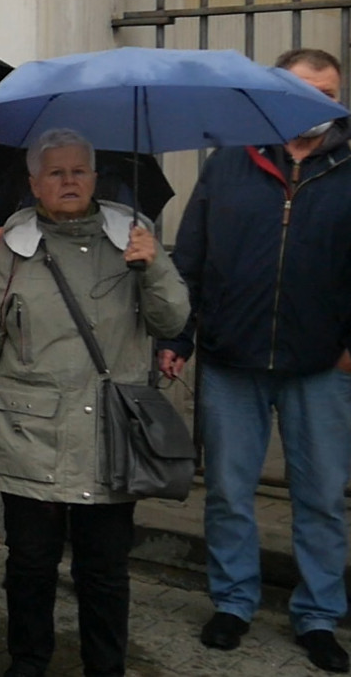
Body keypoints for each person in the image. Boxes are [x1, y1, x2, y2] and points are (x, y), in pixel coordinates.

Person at [0, 127, 189, 677]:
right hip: (26, 431)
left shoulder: (133, 236)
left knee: (103, 569)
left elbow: (172, 320)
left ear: (95, 177)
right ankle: (28, 662)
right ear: (34, 182)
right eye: (55, 172)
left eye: (79, 171)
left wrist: (154, 265)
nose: (68, 181)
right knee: (30, 563)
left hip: (110, 433)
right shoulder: (12, 247)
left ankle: (104, 667)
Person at [169, 47, 351, 672]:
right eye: (304, 90)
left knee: (322, 498)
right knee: (227, 491)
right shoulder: (231, 159)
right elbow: (190, 256)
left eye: (329, 94)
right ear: (275, 91)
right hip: (231, 359)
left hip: (322, 366)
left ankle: (319, 614)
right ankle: (233, 602)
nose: (318, 103)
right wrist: (178, 338)